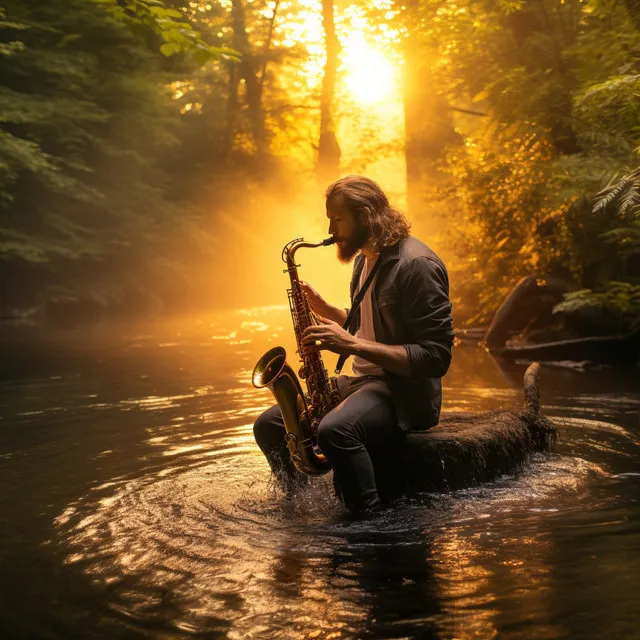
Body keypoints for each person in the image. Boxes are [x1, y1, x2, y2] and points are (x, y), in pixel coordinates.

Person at [253, 175, 454, 514]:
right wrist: (330, 312)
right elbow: (370, 323)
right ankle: (297, 506)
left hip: (403, 392)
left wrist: (350, 345)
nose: (330, 229)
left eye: (336, 218)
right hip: (365, 381)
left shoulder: (417, 265)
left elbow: (436, 357)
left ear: (364, 215)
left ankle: (367, 521)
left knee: (336, 430)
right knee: (270, 424)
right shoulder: (365, 258)